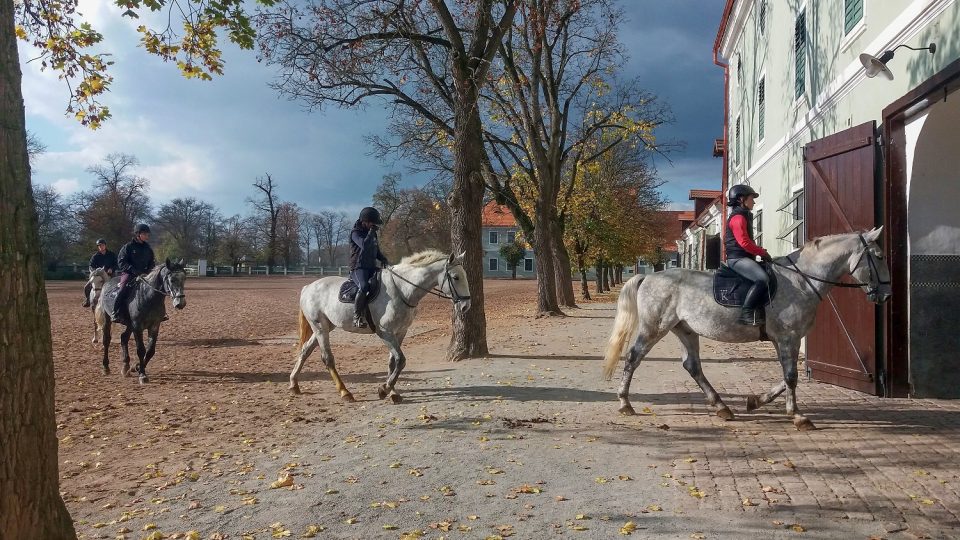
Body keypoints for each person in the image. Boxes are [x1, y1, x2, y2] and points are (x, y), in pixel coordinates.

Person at [725, 184, 773, 326]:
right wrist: (762, 252)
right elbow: (744, 243)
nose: (754, 201)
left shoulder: (743, 215)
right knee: (762, 279)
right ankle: (746, 313)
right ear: (741, 199)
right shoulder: (738, 218)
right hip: (737, 259)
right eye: (752, 198)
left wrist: (759, 251)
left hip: (744, 257)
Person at [348, 207, 389, 328]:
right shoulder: (355, 233)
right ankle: (357, 316)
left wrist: (383, 259)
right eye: (372, 223)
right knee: (364, 286)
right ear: (365, 221)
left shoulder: (373, 234)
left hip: (371, 266)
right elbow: (364, 246)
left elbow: (375, 250)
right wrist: (371, 232)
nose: (374, 225)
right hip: (358, 267)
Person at [112, 223, 156, 323]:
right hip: (129, 274)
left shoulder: (148, 249)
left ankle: (158, 313)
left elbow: (151, 263)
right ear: (138, 234)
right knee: (123, 289)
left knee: (155, 290)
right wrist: (133, 270)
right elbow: (121, 262)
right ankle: (115, 312)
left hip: (145, 275)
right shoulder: (128, 247)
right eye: (144, 234)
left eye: (147, 234)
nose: (147, 236)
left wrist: (148, 272)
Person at [82, 238, 118, 307]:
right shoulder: (95, 256)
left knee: (116, 287)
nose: (101, 247)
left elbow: (116, 264)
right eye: (99, 245)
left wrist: (112, 269)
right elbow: (91, 266)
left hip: (110, 274)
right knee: (86, 287)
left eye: (102, 245)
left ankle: (115, 302)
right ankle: (88, 300)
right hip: (98, 275)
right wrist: (94, 271)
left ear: (105, 245)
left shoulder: (112, 255)